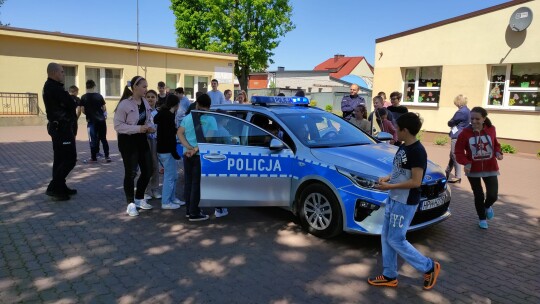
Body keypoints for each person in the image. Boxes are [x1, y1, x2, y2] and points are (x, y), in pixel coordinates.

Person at [368, 112, 441, 290]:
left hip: (405, 202)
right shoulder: (403, 147)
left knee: (396, 239)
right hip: (394, 198)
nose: (394, 131)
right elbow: (399, 170)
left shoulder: (417, 151)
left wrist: (389, 187)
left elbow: (416, 182)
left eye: (397, 128)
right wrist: (387, 178)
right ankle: (389, 275)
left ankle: (429, 267)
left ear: (405, 130)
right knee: (386, 236)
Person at [455, 107, 503, 229]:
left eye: (477, 118)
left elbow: (496, 144)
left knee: (493, 195)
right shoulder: (465, 133)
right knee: (479, 195)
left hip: (490, 166)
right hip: (473, 169)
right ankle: (482, 218)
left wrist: (498, 152)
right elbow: (458, 152)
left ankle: (487, 206)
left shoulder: (491, 130)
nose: (474, 121)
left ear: (484, 119)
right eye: (472, 119)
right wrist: (466, 162)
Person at [114, 76, 155, 217]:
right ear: (135, 87)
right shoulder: (124, 104)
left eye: (146, 86)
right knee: (131, 172)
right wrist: (138, 128)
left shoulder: (145, 102)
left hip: (142, 139)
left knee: (148, 170)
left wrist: (150, 127)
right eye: (144, 86)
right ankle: (130, 203)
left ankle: (139, 198)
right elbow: (118, 126)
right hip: (128, 141)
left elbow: (148, 119)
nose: (146, 89)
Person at [177, 93, 217, 221]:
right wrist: (194, 149)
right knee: (197, 184)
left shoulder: (188, 117)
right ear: (209, 106)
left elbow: (179, 133)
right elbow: (208, 139)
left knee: (188, 183)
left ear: (197, 104)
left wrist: (188, 148)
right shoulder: (211, 119)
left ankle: (189, 210)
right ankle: (195, 213)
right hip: (200, 156)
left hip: (187, 155)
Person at [43, 62, 78, 201]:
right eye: (62, 72)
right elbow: (70, 103)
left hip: (59, 127)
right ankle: (54, 187)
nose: (64, 74)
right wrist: (72, 101)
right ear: (54, 72)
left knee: (60, 159)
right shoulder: (53, 88)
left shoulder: (53, 86)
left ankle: (60, 187)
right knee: (70, 159)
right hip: (61, 128)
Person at [154, 94, 186, 210]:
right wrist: (175, 153)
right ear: (176, 105)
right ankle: (166, 201)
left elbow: (169, 131)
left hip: (163, 149)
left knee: (174, 176)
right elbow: (169, 137)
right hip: (166, 151)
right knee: (170, 177)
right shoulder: (167, 116)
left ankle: (172, 198)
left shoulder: (166, 114)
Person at [80, 80, 110, 163]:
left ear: (86, 87)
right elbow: (104, 108)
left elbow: (82, 109)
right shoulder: (99, 96)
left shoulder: (83, 97)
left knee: (92, 139)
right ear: (94, 86)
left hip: (91, 121)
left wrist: (88, 114)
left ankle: (93, 158)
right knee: (103, 138)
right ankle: (107, 156)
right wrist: (104, 115)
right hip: (101, 120)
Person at [445, 94, 471, 184]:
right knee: (452, 155)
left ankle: (458, 176)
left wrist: (449, 122)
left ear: (459, 102)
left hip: (457, 135)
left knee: (454, 154)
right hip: (463, 134)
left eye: (456, 102)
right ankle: (447, 171)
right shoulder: (468, 110)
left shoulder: (460, 112)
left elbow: (452, 122)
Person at [143, 90, 162, 200]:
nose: (150, 99)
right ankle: (146, 190)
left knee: (155, 165)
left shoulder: (158, 113)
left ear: (156, 99)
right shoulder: (143, 111)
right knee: (146, 166)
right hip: (145, 141)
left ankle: (155, 189)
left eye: (153, 97)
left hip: (155, 141)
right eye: (148, 96)